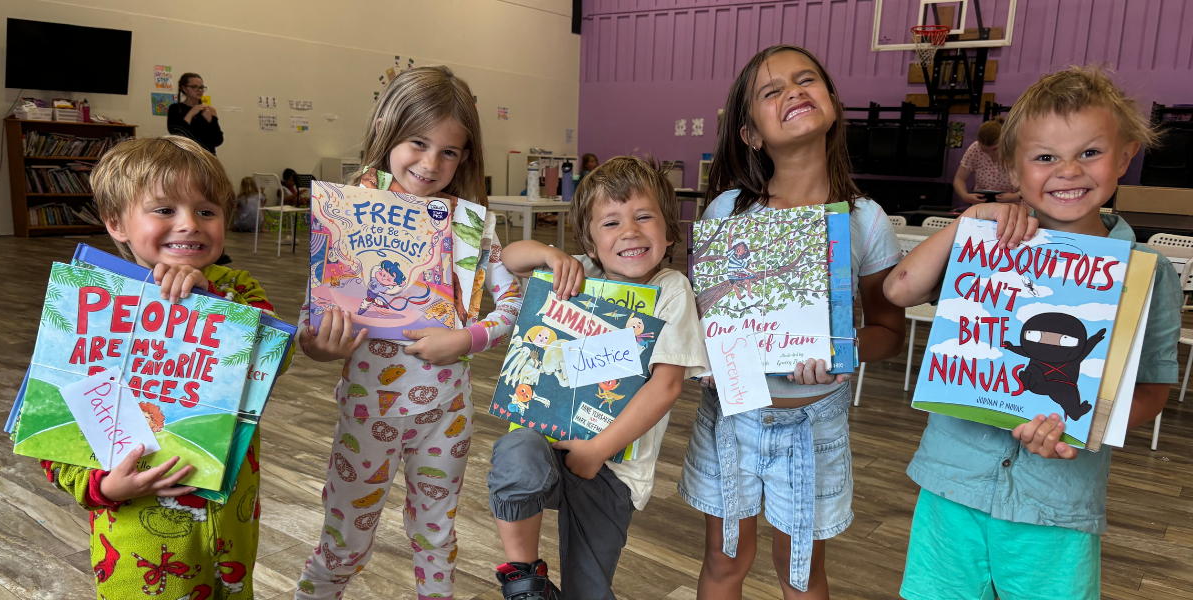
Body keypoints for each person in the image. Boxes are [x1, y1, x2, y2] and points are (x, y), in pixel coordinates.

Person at [884, 66, 1178, 600]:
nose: (1068, 171)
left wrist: (1077, 426)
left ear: (1125, 156)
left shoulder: (1148, 273)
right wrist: (970, 219)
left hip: (1055, 505)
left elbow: (1153, 390)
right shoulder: (986, 243)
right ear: (1012, 169)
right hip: (953, 489)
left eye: (1090, 152)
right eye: (1045, 157)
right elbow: (900, 290)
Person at [681, 45, 906, 600]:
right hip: (731, 418)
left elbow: (888, 332)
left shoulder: (865, 220)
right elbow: (703, 319)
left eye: (806, 80)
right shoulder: (727, 212)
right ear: (751, 134)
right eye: (771, 90)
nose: (793, 92)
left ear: (832, 103)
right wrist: (702, 354)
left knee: (800, 573)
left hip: (814, 425)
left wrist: (841, 349)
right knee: (723, 561)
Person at [294, 65, 523, 600]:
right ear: (385, 129)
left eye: (449, 151)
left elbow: (513, 302)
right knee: (344, 540)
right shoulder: (345, 212)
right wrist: (317, 346)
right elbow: (313, 322)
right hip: (367, 412)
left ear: (465, 156)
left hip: (447, 412)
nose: (431, 163)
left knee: (437, 535)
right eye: (418, 142)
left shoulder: (470, 225)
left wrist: (467, 339)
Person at [42, 136, 285, 599]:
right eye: (165, 210)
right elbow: (49, 427)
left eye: (207, 211)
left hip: (233, 525)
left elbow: (275, 358)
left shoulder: (239, 289)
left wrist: (210, 303)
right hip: (140, 544)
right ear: (116, 222)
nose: (190, 224)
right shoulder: (87, 310)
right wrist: (103, 487)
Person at [490, 156, 710, 600]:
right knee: (515, 452)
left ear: (670, 232)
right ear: (590, 243)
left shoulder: (671, 290)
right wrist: (550, 254)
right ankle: (525, 581)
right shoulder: (577, 273)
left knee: (587, 590)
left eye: (644, 217)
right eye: (611, 222)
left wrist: (597, 450)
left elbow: (666, 386)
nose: (629, 231)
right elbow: (508, 258)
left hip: (614, 468)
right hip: (548, 445)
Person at [953, 117, 1020, 204]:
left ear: (1004, 142)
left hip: (1014, 204)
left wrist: (1017, 196)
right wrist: (966, 196)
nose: (990, 154)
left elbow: (1033, 184)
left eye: (994, 149)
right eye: (985, 150)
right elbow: (959, 179)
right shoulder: (975, 149)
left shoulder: (1016, 150)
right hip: (983, 204)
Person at [167, 73, 223, 155]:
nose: (199, 90)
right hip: (186, 155)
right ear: (184, 88)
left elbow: (218, 140)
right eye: (194, 87)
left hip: (207, 156)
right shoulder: (175, 108)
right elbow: (177, 135)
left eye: (201, 87)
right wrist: (191, 113)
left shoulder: (209, 110)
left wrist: (210, 120)